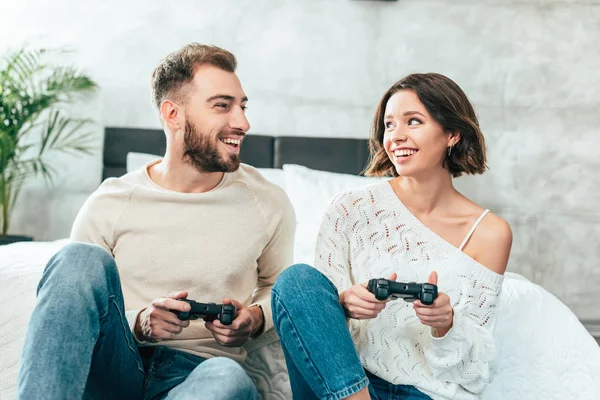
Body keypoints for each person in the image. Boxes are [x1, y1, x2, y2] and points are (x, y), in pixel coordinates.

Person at [17, 43, 295, 400]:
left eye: (242, 106)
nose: (242, 122)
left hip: (200, 374)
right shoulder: (111, 201)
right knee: (77, 259)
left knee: (228, 379)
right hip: (117, 364)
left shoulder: (267, 201)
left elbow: (278, 286)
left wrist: (255, 317)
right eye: (222, 105)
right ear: (173, 114)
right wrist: (141, 322)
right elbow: (77, 306)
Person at [272, 73, 512, 400]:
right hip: (346, 384)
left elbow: (474, 373)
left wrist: (446, 324)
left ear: (452, 133)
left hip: (422, 392)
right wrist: (343, 304)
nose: (396, 136)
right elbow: (318, 324)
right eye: (389, 125)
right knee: (297, 280)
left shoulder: (490, 233)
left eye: (413, 121)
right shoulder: (349, 208)